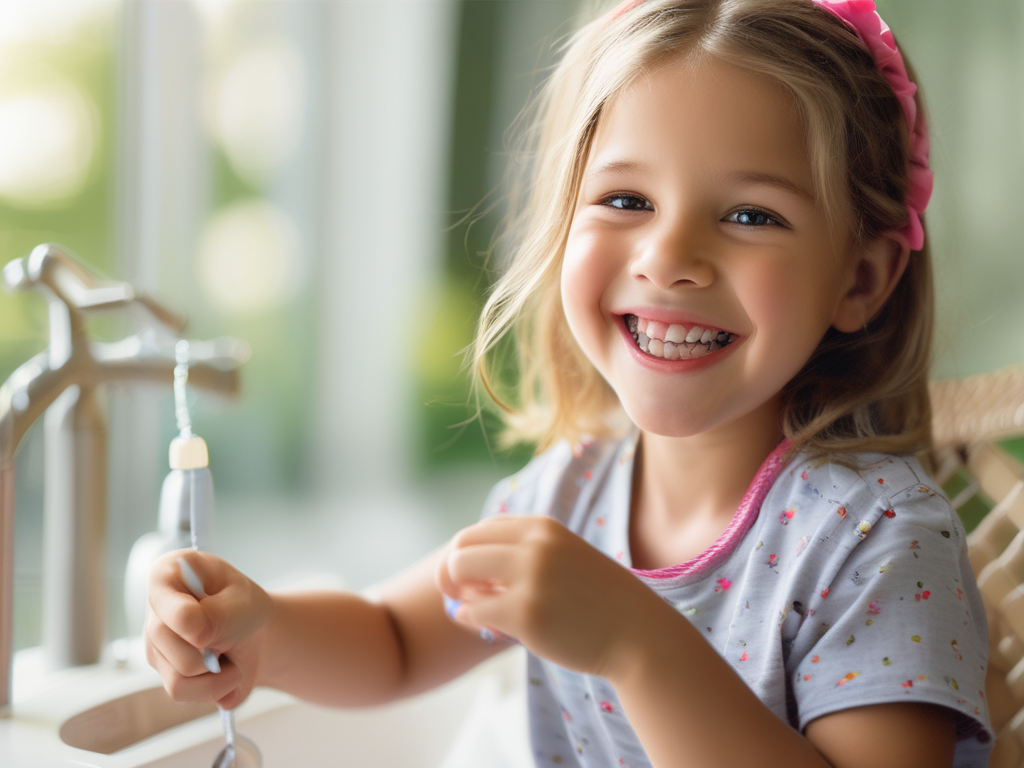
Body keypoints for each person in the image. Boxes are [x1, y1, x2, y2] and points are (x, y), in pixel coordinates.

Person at [144, 1, 995, 765]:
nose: (668, 259)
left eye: (749, 216)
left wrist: (636, 644)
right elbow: (398, 641)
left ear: (861, 279)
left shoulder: (878, 540)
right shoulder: (571, 491)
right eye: (626, 200)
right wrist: (260, 630)